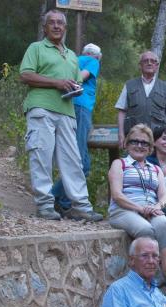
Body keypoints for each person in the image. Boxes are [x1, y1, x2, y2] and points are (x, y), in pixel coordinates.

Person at [19, 10, 102, 222]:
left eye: (60, 23)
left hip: (67, 112)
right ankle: (45, 206)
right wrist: (56, 82)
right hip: (41, 108)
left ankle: (81, 206)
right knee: (42, 156)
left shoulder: (72, 55)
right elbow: (25, 75)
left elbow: (77, 81)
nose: (56, 26)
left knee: (73, 160)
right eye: (52, 23)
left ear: (65, 28)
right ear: (45, 27)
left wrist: (75, 88)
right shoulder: (36, 48)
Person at [51, 43, 102, 215]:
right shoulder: (93, 61)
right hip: (81, 107)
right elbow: (81, 77)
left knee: (80, 161)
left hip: (67, 106)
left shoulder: (72, 59)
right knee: (79, 160)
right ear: (97, 56)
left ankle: (58, 199)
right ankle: (60, 200)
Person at [107, 124, 166, 241]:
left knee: (163, 224)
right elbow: (116, 195)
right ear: (127, 144)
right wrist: (141, 209)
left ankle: (163, 254)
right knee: (145, 229)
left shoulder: (156, 169)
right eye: (134, 141)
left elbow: (164, 196)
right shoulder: (119, 164)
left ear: (150, 148)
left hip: (151, 210)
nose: (139, 145)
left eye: (144, 143)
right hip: (123, 211)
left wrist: (156, 207)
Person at [115, 51, 166, 148]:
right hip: (134, 138)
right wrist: (121, 134)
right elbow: (122, 111)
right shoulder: (129, 85)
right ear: (140, 65)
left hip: (157, 140)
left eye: (152, 61)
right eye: (146, 61)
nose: (149, 63)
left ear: (157, 65)